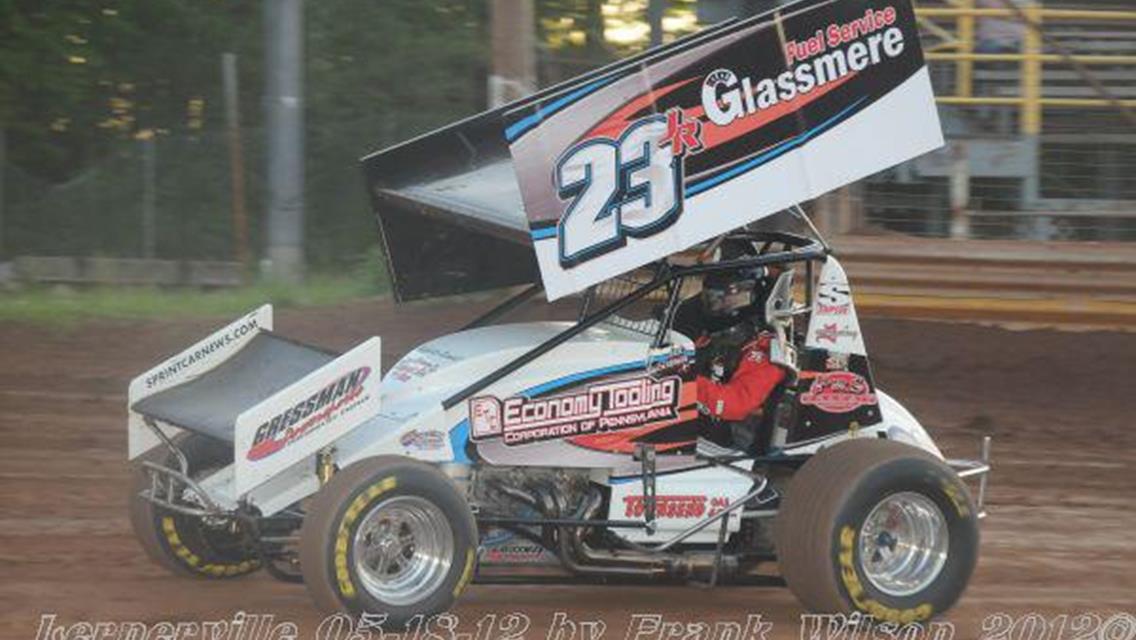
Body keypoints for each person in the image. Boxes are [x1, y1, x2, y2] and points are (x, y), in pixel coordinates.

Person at [672, 259, 787, 458]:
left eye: (724, 299)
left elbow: (733, 405)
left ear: (750, 297)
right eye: (711, 298)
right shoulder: (711, 334)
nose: (716, 304)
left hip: (732, 450)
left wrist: (678, 379)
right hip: (693, 432)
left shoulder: (764, 350)